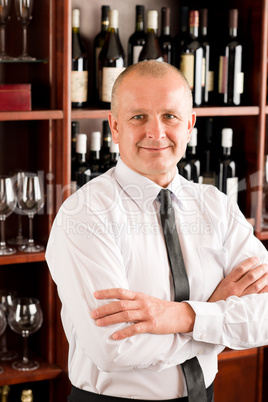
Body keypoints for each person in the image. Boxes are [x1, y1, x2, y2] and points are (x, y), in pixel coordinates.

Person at [45, 60, 268, 402]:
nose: (156, 132)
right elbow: (115, 350)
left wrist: (179, 315)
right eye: (138, 117)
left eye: (169, 116)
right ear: (114, 127)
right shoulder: (83, 215)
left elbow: (264, 317)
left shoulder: (218, 207)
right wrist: (215, 319)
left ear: (190, 125)